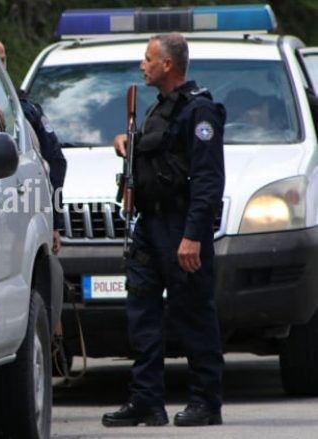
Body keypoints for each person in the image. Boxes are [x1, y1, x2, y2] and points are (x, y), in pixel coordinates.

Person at [102, 33, 226, 427]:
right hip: (150, 224)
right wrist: (127, 142)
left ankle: (206, 402)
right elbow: (158, 152)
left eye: (148, 58)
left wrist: (193, 236)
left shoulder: (199, 111)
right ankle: (146, 402)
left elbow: (208, 181)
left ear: (168, 64)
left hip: (181, 227)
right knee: (142, 314)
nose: (143, 65)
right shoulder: (160, 107)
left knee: (193, 313)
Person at [0, 36, 67, 254]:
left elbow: (55, 162)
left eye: (2, 60)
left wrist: (54, 221)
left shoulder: (25, 112)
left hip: (20, 219)